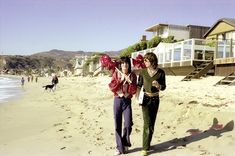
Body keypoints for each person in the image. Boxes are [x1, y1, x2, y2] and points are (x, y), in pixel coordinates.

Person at [137, 52, 166, 156]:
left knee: (152, 124)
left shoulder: (161, 73)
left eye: (146, 60)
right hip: (145, 99)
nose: (144, 62)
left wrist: (158, 86)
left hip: (155, 99)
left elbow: (164, 87)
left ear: (152, 61)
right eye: (144, 60)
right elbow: (139, 86)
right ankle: (144, 148)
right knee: (147, 123)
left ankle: (147, 144)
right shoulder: (143, 72)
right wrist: (138, 99)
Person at [108, 56, 137, 155]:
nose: (125, 65)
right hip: (117, 100)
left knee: (128, 124)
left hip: (127, 101)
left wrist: (130, 83)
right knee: (118, 124)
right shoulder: (116, 73)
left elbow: (133, 91)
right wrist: (120, 80)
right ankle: (119, 147)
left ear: (129, 64)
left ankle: (125, 143)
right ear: (120, 65)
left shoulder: (133, 75)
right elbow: (112, 87)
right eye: (123, 63)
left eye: (126, 63)